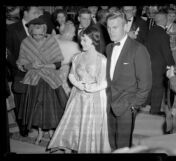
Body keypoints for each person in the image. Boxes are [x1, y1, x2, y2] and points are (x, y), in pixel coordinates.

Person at [47, 26, 111, 153]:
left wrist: (89, 88)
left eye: (85, 40)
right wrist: (78, 84)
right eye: (81, 40)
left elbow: (105, 82)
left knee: (90, 127)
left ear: (94, 41)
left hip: (94, 98)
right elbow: (71, 75)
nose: (81, 43)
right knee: (75, 124)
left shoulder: (102, 60)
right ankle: (72, 145)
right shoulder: (77, 57)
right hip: (77, 96)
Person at [16, 17, 68, 144]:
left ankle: (51, 131)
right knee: (36, 109)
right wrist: (31, 66)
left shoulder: (51, 41)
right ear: (30, 32)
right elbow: (22, 64)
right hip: (34, 79)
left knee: (51, 108)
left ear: (45, 31)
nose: (37, 37)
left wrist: (44, 66)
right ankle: (40, 132)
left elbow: (58, 63)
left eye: (40, 34)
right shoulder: (26, 42)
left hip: (50, 79)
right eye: (34, 35)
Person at [106, 11, 152, 150]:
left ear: (125, 27)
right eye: (108, 27)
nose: (110, 31)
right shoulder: (109, 48)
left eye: (115, 27)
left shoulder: (138, 49)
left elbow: (145, 83)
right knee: (112, 143)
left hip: (127, 106)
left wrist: (134, 105)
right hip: (109, 104)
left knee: (124, 146)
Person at [6, 6, 41, 137]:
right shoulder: (11, 29)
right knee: (21, 102)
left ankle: (31, 123)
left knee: (33, 100)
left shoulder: (41, 27)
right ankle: (23, 127)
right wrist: (18, 65)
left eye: (38, 12)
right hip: (19, 72)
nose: (37, 15)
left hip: (37, 72)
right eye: (34, 12)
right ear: (25, 13)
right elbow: (8, 52)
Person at [145, 11, 175, 115]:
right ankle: (155, 111)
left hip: (148, 64)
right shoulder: (163, 34)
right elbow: (167, 53)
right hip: (159, 66)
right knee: (158, 88)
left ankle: (144, 106)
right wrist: (172, 65)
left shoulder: (150, 31)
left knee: (150, 86)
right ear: (164, 20)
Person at [54, 21, 81, 96]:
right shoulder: (74, 46)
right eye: (73, 32)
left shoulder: (54, 42)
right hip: (67, 75)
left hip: (54, 75)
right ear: (68, 32)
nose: (74, 34)